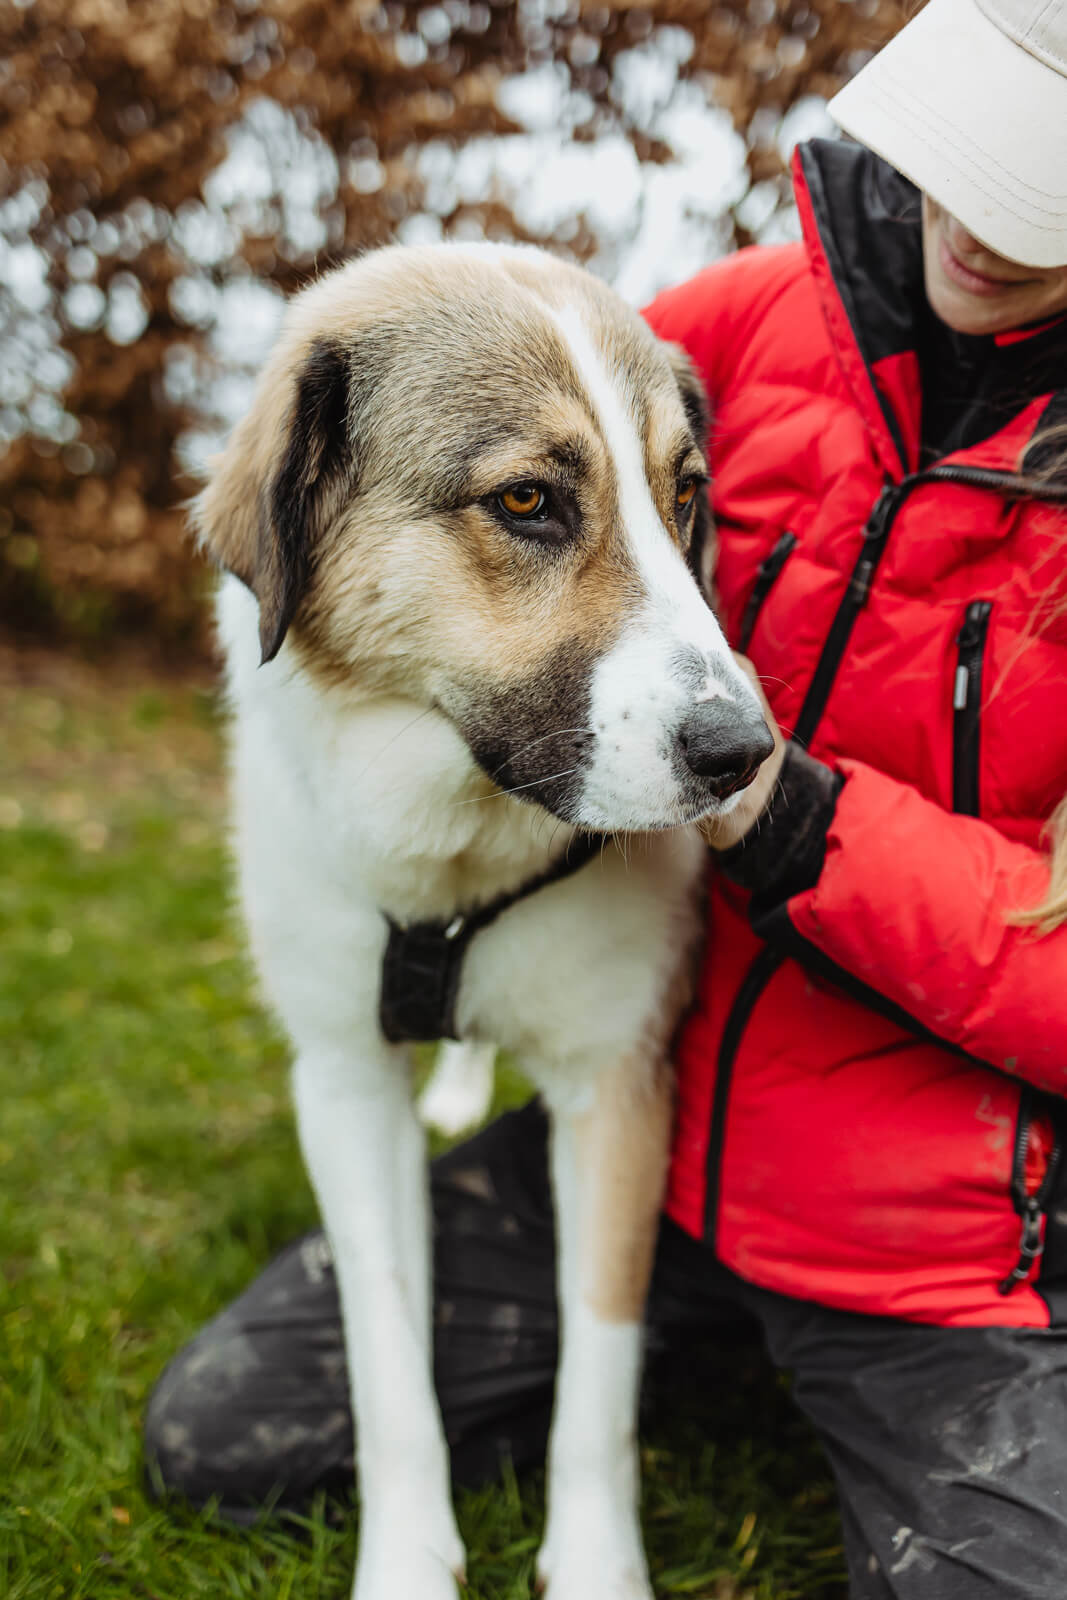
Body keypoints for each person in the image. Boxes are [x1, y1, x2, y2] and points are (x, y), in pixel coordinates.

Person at [144, 0, 1067, 1594]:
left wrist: (798, 824)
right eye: (962, 155)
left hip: (940, 1239)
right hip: (682, 1130)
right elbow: (476, 399)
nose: (977, 227)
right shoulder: (748, 321)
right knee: (227, 1437)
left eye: (1043, 191)